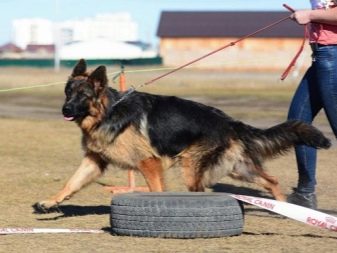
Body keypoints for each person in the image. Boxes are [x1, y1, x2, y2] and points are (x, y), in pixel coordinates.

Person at [287, 0, 337, 209]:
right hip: (321, 56)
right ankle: (305, 193)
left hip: (333, 56)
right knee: (298, 122)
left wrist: (310, 15)